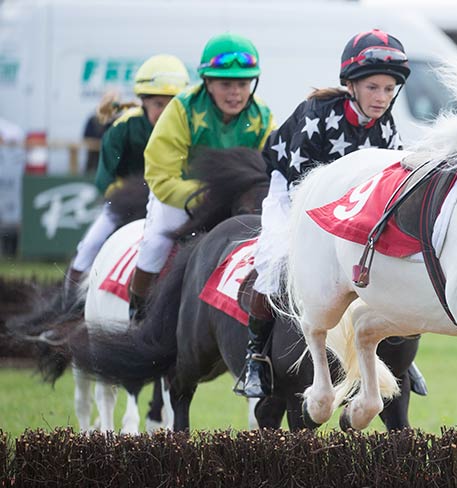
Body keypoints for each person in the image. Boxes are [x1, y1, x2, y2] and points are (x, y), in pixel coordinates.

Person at [237, 29, 411, 397]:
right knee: (274, 260)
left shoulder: (388, 127)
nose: (382, 98)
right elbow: (304, 189)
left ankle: (400, 359)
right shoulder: (317, 114)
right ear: (351, 85)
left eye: (389, 89)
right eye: (373, 88)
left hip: (345, 206)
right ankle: (256, 358)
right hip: (291, 192)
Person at [129, 33, 275, 322]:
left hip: (238, 200)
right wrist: (204, 197)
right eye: (226, 84)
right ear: (207, 82)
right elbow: (161, 176)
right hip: (182, 196)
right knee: (157, 240)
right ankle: (138, 313)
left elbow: (271, 170)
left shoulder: (263, 116)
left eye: (243, 84)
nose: (235, 93)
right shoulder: (181, 110)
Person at [63, 55, 190, 304]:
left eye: (172, 104)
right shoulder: (122, 127)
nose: (165, 111)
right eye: (158, 104)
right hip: (124, 203)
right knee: (91, 244)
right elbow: (104, 178)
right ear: (143, 102)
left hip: (168, 201)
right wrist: (127, 199)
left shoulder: (187, 129)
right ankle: (67, 297)